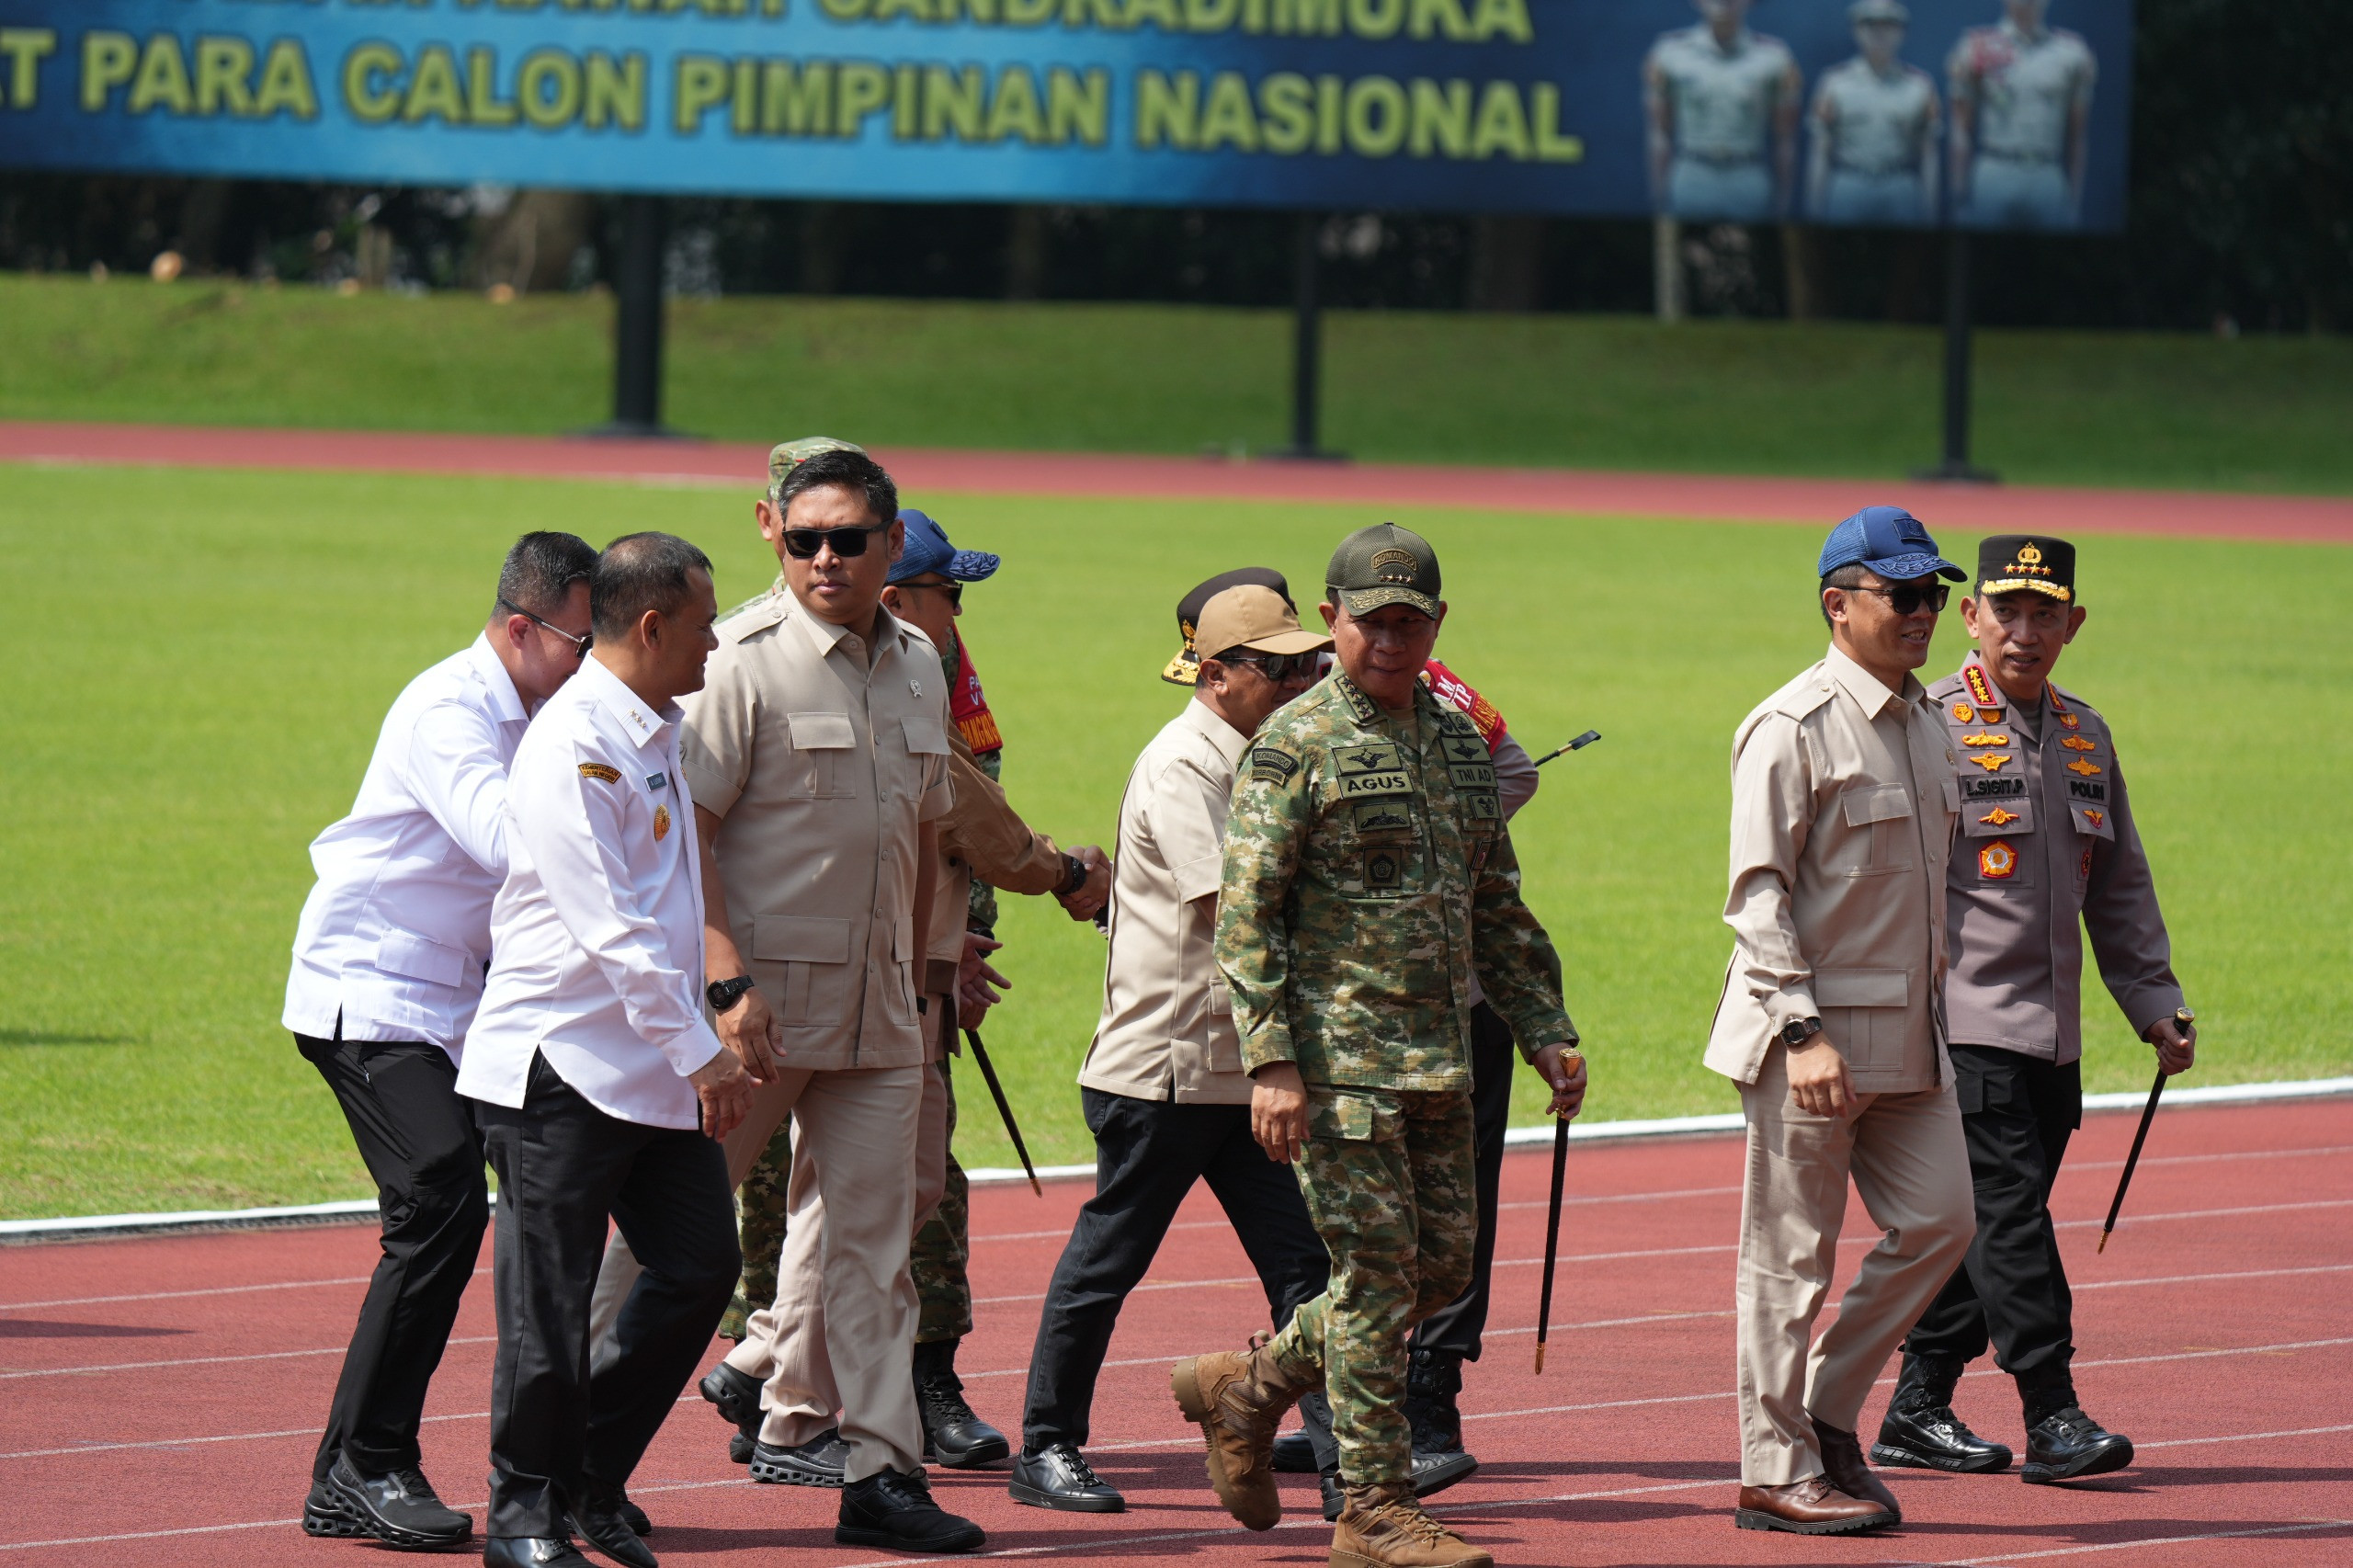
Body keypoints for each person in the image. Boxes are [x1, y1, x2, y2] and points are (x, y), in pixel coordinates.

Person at [1172, 524, 1586, 1568]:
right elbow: (1248, 917)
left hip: (1441, 1052)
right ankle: (1373, 1507)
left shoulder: (1454, 742)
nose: (1390, 641)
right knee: (1373, 1268)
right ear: (1331, 619)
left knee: (1435, 1272)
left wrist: (1544, 1024)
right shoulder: (1294, 744)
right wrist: (1270, 1061)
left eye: (1410, 622)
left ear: (1436, 624)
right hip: (1339, 1063)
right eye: (1371, 622)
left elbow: (1495, 896)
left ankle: (1248, 1386)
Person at [701, 506, 1113, 1481]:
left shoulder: (922, 673)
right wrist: (1058, 873)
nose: (960, 613)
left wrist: (957, 943)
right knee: (689, 1211)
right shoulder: (756, 663)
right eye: (948, 593)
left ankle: (792, 1397)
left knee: (879, 1199)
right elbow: (965, 814)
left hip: (893, 986)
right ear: (899, 593)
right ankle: (588, 1432)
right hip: (777, 996)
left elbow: (944, 816)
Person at [658, 444, 985, 1553]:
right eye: (806, 539)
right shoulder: (736, 660)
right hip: (758, 1013)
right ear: (771, 532)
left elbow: (932, 824)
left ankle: (880, 1473)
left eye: (851, 538)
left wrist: (944, 961)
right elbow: (684, 837)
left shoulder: (917, 664)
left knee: (875, 1251)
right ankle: (562, 1462)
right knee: (662, 1238)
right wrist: (720, 980)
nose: (828, 558)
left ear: (893, 544)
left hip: (882, 1010)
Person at [284, 530, 597, 1551]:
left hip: (462, 997)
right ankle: (364, 1464)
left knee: (519, 1196)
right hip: (371, 988)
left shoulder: (554, 705)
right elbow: (511, 841)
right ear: (520, 627)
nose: (593, 665)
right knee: (439, 1200)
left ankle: (526, 1463)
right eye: (579, 642)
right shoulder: (449, 709)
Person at [456, 532, 757, 1568]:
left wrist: (707, 1012)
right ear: (652, 626)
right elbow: (610, 923)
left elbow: (672, 896)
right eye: (707, 620)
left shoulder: (657, 725)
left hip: (647, 1062)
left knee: (697, 1267)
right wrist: (704, 1050)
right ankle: (523, 1511)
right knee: (549, 1302)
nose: (717, 641)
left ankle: (586, 1468)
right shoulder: (574, 738)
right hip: (563, 1064)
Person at [1012, 573, 1335, 1516]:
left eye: (1300, 661)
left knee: (1305, 1267)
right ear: (1219, 671)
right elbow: (1234, 912)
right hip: (1164, 1067)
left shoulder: (1256, 748)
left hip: (1240, 1067)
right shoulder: (1185, 763)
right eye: (1274, 666)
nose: (1296, 677)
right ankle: (1046, 1444)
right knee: (1106, 1264)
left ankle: (1337, 1445)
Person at [1879, 535, 2194, 1484]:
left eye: (2043, 613)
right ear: (1968, 616)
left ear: (2072, 623)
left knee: (1990, 1224)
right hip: (1959, 1025)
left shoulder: (2086, 734)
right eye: (2004, 610)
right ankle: (2052, 1410)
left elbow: (2119, 885)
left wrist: (2152, 999)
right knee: (2010, 1218)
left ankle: (1916, 1404)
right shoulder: (1925, 726)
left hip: (2050, 1033)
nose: (2023, 631)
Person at [1702, 505, 1977, 1536]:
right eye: (1903, 595)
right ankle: (1773, 1468)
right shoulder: (1791, 725)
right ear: (1838, 603)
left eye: (1933, 595)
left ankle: (1820, 1408)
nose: (1924, 613)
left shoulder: (1928, 719)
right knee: (1788, 1257)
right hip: (1808, 1038)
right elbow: (1756, 893)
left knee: (1943, 1221)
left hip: (1912, 1035)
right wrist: (1801, 1032)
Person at [1644, 0, 1803, 222]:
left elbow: (1785, 139)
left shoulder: (1775, 57)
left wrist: (1783, 205)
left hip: (1747, 177)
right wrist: (1659, 200)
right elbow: (1659, 133)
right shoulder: (1669, 53)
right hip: (1692, 174)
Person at [1949, 0, 2097, 229]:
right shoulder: (1976, 47)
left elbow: (2078, 136)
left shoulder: (2073, 53)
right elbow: (1960, 128)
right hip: (1995, 168)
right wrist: (1959, 198)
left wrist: (2074, 202)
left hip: (2047, 172)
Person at [1808, 0, 1940, 225]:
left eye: (1889, 25)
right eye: (1870, 24)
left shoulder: (1920, 86)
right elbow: (1820, 151)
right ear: (1856, 31)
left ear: (1902, 32)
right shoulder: (1833, 84)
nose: (1880, 33)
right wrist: (1814, 211)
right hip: (1849, 181)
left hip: (1899, 183)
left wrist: (1931, 214)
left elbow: (1929, 155)